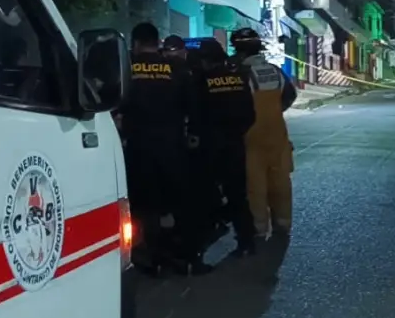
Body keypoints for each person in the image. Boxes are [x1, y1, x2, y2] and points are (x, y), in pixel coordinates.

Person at [122, 23, 212, 275]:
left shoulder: (127, 69)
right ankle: (190, 257)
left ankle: (153, 258)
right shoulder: (177, 68)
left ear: (136, 44)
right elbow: (194, 108)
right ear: (157, 42)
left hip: (139, 149)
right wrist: (192, 135)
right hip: (173, 148)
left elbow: (116, 105)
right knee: (182, 203)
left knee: (145, 207)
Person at [192, 38, 257, 255]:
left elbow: (196, 114)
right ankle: (247, 240)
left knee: (206, 193)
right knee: (237, 194)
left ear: (205, 61)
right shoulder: (238, 79)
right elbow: (250, 113)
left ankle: (211, 232)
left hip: (211, 146)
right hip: (236, 144)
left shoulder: (203, 80)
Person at [231, 27, 297, 238]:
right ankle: (283, 223)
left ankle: (259, 229)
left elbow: (235, 108)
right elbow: (290, 96)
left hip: (252, 139)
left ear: (240, 51)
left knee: (255, 187)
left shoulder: (241, 74)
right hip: (278, 135)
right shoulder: (275, 71)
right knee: (281, 182)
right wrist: (275, 111)